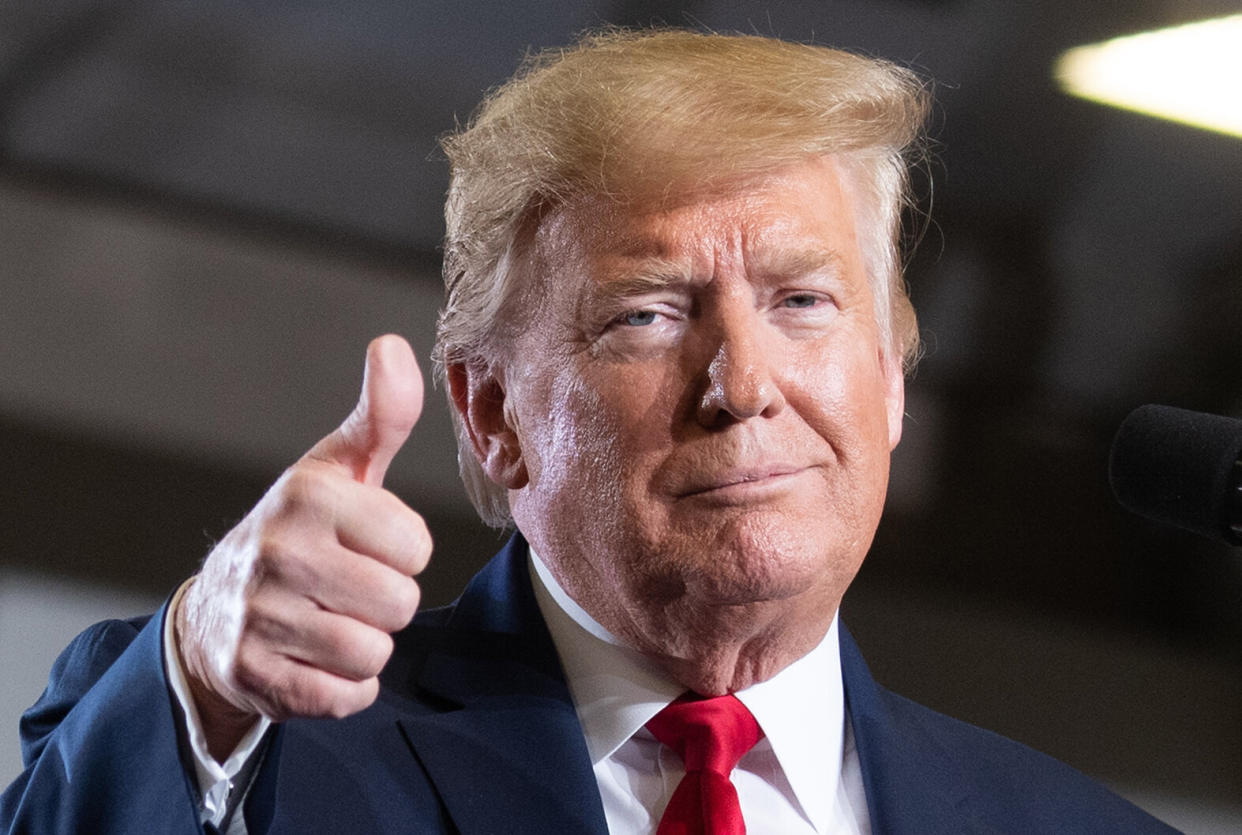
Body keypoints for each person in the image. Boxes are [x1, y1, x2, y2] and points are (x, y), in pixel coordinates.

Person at [2, 28, 1176, 834]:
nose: (744, 383)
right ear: (493, 413)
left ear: (893, 381)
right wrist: (204, 668)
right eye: (649, 315)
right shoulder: (250, 749)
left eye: (802, 302)